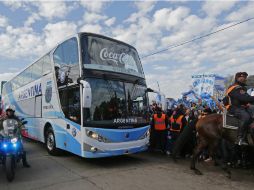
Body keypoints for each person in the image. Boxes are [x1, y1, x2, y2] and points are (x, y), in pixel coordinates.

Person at [225, 72, 254, 146]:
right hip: (234, 107)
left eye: (245, 77)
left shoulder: (242, 88)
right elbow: (244, 98)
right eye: (243, 78)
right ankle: (240, 138)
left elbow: (249, 99)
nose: (244, 79)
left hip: (241, 107)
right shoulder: (235, 87)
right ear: (238, 78)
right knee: (246, 117)